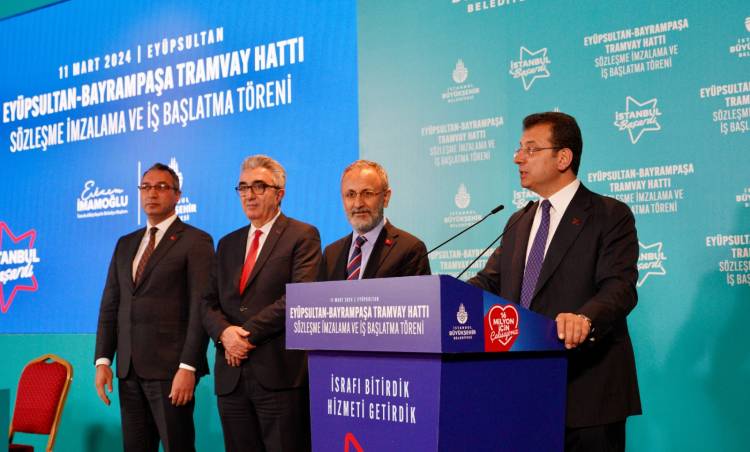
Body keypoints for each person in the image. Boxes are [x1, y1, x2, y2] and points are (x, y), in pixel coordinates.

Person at [468, 112, 641, 451]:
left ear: (563, 158)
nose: (518, 158)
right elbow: (489, 282)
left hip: (587, 394)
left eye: (531, 149)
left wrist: (585, 318)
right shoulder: (519, 221)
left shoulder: (609, 215)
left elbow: (619, 287)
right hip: (524, 393)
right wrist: (442, 295)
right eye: (519, 148)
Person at [201, 155, 321, 452]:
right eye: (243, 187)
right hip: (232, 378)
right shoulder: (227, 243)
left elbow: (298, 297)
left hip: (279, 375)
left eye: (259, 186)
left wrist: (244, 336)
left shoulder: (302, 235)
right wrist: (225, 334)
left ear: (279, 194)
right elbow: (207, 302)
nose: (249, 195)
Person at [94, 163, 215, 452]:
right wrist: (103, 361)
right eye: (146, 187)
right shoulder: (126, 244)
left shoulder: (195, 240)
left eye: (161, 187)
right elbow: (111, 305)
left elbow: (201, 307)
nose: (152, 193)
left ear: (177, 195)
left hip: (171, 371)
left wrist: (188, 366)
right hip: (128, 370)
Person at [321, 159, 430, 280]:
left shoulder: (410, 249)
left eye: (367, 193)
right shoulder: (331, 254)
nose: (358, 204)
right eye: (351, 195)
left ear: (386, 197)